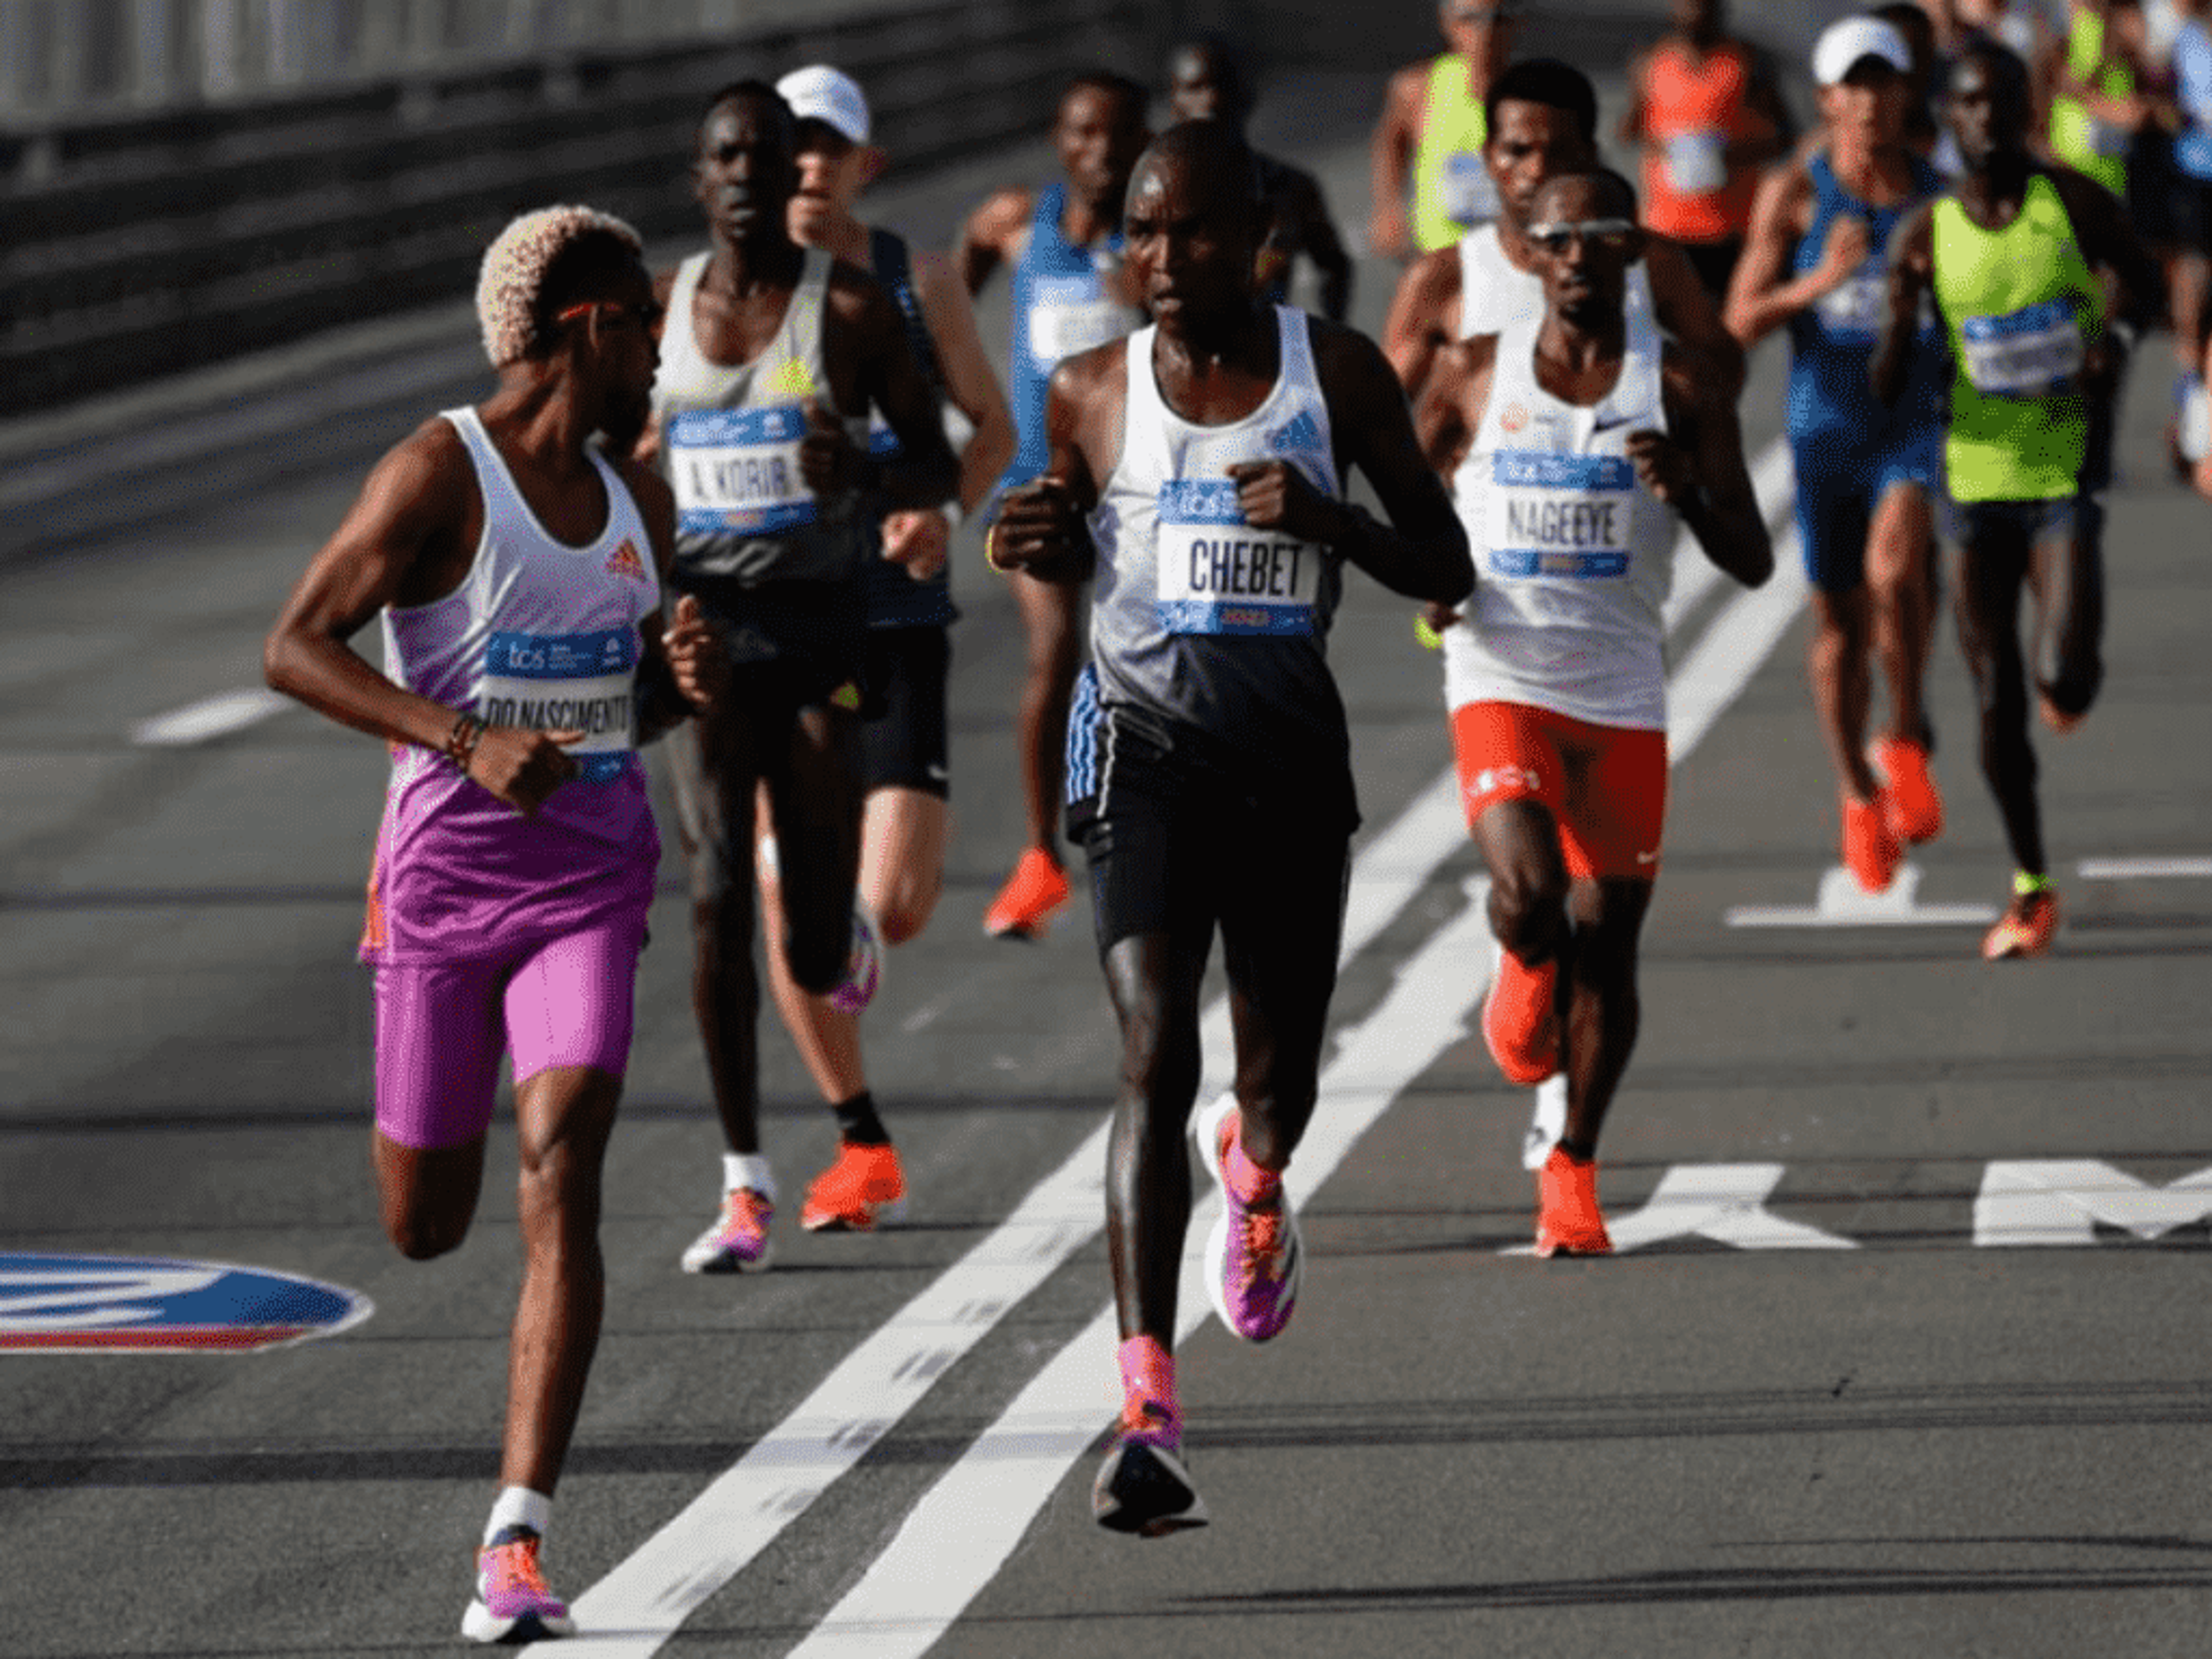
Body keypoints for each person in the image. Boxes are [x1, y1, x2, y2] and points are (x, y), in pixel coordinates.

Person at [989, 120, 1471, 1534]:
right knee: (1152, 1046)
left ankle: (1253, 1174)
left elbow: (1444, 565)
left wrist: (1330, 519)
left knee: (1277, 1084)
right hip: (1138, 751)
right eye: (1139, 232)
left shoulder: (1339, 375)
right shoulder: (1091, 386)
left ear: (1254, 230)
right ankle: (1147, 1406)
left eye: (1187, 232)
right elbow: (1058, 529)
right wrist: (1029, 537)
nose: (1157, 259)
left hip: (1285, 767)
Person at [262, 205, 724, 1642]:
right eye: (648, 322)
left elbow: (624, 697)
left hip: (591, 874)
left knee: (564, 1143)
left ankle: (515, 1540)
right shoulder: (435, 471)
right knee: (425, 1222)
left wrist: (678, 673)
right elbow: (295, 645)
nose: (665, 349)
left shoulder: (638, 497)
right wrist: (460, 740)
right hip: (444, 885)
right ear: (587, 324)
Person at [1417, 168, 1772, 1257]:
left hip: (1621, 693)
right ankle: (1522, 960)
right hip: (1502, 674)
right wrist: (1433, 571)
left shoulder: (1685, 388)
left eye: (1598, 236)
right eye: (1555, 238)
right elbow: (1411, 488)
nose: (1576, 255)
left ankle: (1572, 1164)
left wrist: (1692, 493)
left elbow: (1753, 560)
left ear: (1633, 253)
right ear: (1526, 253)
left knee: (1611, 947)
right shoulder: (1476, 373)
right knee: (1530, 894)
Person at [651, 81, 961, 1272]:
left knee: (818, 950)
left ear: (792, 181)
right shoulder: (661, 307)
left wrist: (862, 470)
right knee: (721, 895)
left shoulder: (853, 310)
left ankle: (842, 945)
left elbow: (931, 459)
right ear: (699, 177)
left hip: (827, 639)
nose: (741, 175)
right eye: (721, 156)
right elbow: (621, 446)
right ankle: (744, 1186)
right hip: (714, 639)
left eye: (762, 159)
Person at [747, 64, 1018, 1232]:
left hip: (895, 617)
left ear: (867, 165)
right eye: (788, 149)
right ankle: (860, 1139)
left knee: (893, 906)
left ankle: (834, 921)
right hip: (776, 623)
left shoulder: (919, 281)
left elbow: (994, 426)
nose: (807, 169)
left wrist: (943, 513)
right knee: (780, 883)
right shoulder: (719, 293)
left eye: (828, 150)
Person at [1874, 40, 2156, 957]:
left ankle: (2068, 681)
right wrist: (1896, 325)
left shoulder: (2068, 203)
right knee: (1995, 694)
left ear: (2025, 111)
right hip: (1975, 483)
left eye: (2000, 102)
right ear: (1947, 120)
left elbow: (2142, 281)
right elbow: (1887, 376)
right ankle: (2031, 884)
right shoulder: (1924, 234)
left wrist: (2110, 336)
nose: (1985, 119)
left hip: (2063, 473)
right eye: (1968, 105)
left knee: (2063, 679)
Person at [1724, 15, 1949, 895]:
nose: (1868, 102)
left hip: (1912, 423)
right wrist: (1818, 284)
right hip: (1824, 433)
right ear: (1826, 98)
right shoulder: (1797, 192)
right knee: (1839, 630)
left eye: (1882, 83)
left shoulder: (1937, 193)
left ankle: (1904, 732)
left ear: (1904, 93)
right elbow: (1739, 322)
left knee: (1898, 572)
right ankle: (1857, 791)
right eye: (1850, 86)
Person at [957, 72, 1151, 941]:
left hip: (1135, 491)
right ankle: (1040, 855)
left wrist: (1140, 299)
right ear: (1059, 138)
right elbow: (937, 307)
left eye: (1117, 136)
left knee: (1138, 672)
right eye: (1083, 134)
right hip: (1036, 487)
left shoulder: (1154, 242)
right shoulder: (1012, 222)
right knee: (1052, 651)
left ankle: (1139, 829)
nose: (1100, 152)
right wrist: (950, 401)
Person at [1382, 58, 1745, 444]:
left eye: (1557, 152)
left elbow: (1722, 363)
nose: (1537, 170)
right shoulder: (1444, 277)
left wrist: (1689, 447)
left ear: (1589, 154)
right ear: (1488, 156)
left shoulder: (1646, 260)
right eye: (1517, 151)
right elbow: (1379, 411)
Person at [1165, 35, 1356, 321]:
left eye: (1223, 85)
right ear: (1173, 102)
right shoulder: (1151, 191)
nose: (1211, 99)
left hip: (1267, 356)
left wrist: (1332, 333)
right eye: (1194, 88)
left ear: (1248, 94)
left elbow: (1334, 265)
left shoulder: (1289, 187)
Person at [1619, 0, 1796, 300]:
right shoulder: (1650, 62)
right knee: (1666, 335)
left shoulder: (1748, 63)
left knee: (1723, 334)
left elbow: (1786, 137)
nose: (1693, 11)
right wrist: (1668, 147)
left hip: (1730, 232)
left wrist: (1729, 156)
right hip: (1664, 230)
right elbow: (1630, 132)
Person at [1368, 0, 1522, 257]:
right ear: (1447, 23)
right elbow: (1391, 142)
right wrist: (1388, 206)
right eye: (1469, 18)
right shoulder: (1417, 88)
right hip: (1440, 251)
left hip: (1514, 252)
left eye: (1500, 18)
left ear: (1519, 24)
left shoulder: (1541, 92)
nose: (1486, 31)